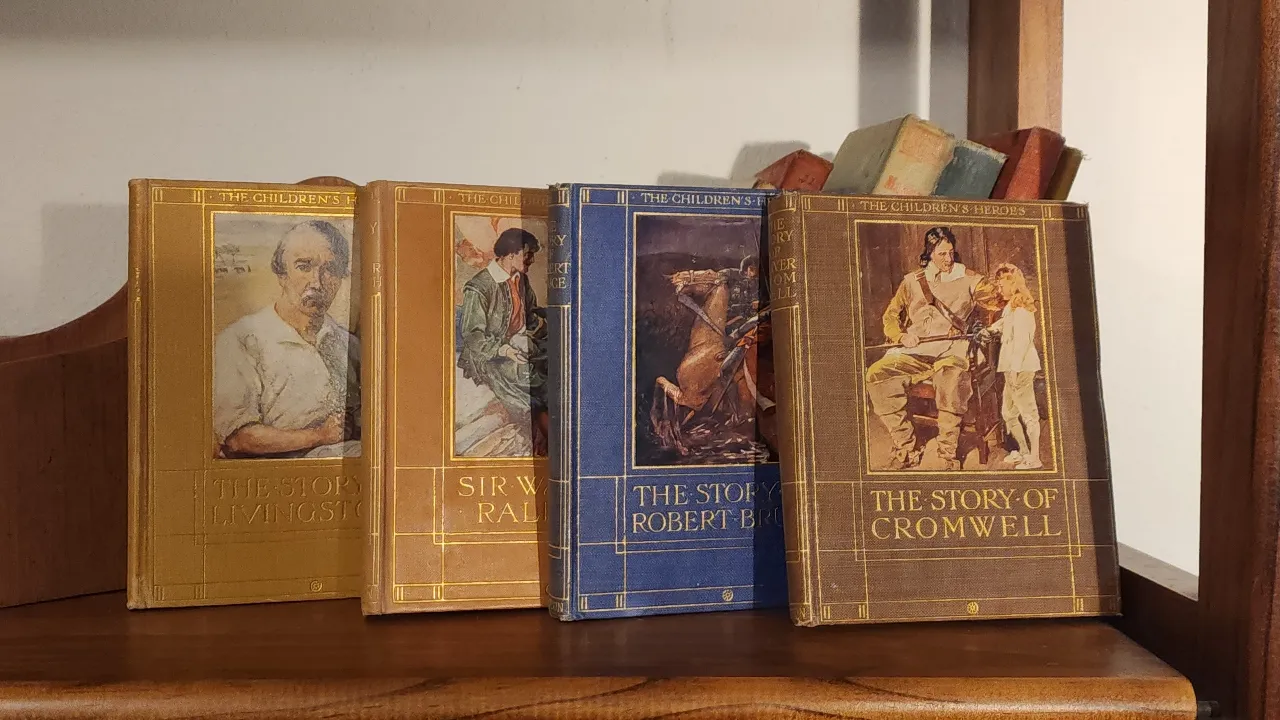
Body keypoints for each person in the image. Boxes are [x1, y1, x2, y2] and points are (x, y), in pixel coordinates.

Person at [213, 219, 360, 459]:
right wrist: (319, 435)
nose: (317, 282)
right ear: (282, 275)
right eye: (304, 267)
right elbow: (238, 438)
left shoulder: (349, 345)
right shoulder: (242, 339)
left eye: (330, 270)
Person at [865, 226, 1000, 470]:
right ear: (929, 254)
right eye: (942, 254)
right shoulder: (912, 281)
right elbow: (890, 316)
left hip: (952, 350)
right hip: (916, 351)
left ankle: (947, 453)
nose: (948, 259)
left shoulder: (969, 278)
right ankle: (907, 447)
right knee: (877, 375)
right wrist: (900, 335)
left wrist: (997, 288)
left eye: (951, 253)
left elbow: (997, 301)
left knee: (952, 378)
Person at [457, 228, 548, 454]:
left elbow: (530, 315)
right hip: (488, 355)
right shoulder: (479, 287)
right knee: (531, 379)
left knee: (556, 363)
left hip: (519, 344)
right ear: (511, 253)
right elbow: (473, 336)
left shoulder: (521, 280)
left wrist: (540, 328)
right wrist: (505, 350)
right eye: (527, 254)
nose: (532, 260)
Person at [983, 262, 1043, 469]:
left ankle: (1034, 458)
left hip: (1021, 368)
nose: (999, 290)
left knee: (1028, 414)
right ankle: (1023, 452)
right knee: (1008, 413)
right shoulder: (1011, 308)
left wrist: (1016, 371)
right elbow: (1003, 325)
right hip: (1010, 368)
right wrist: (988, 330)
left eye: (1002, 286)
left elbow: (1022, 343)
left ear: (1013, 284)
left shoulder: (1022, 311)